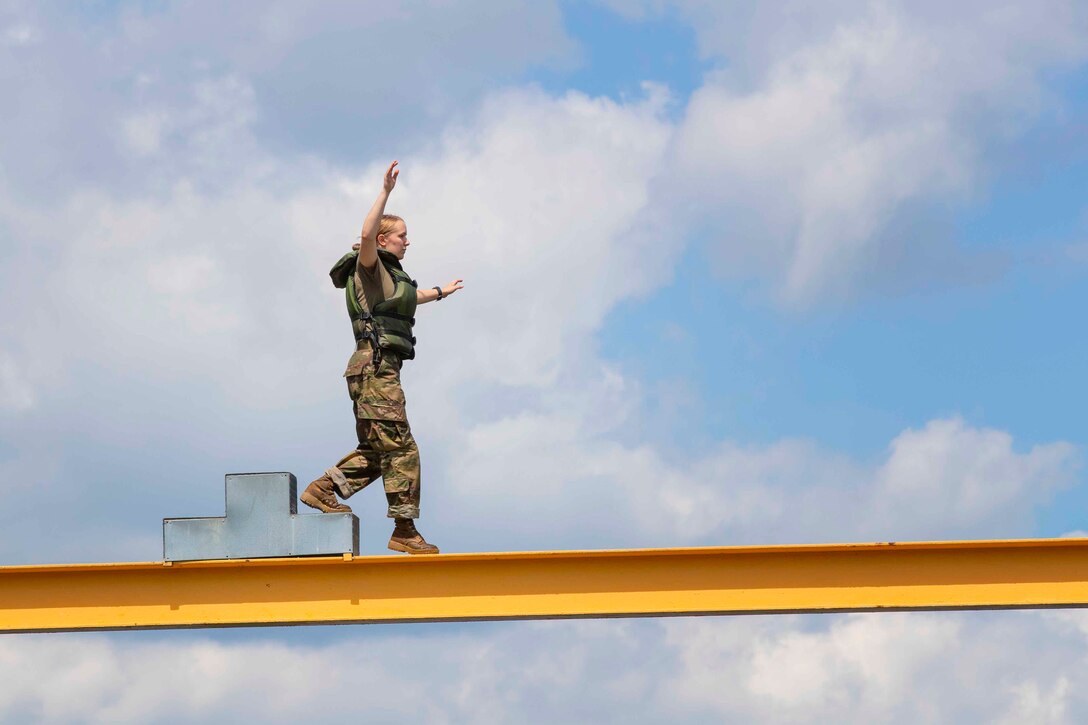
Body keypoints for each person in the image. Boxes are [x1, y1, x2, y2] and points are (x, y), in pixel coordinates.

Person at [301, 160, 463, 555]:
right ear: (385, 239)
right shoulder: (370, 266)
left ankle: (322, 490)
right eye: (403, 236)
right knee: (403, 448)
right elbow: (365, 233)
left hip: (376, 369)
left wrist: (442, 290)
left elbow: (408, 300)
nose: (408, 242)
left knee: (380, 449)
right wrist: (385, 192)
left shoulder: (393, 279)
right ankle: (404, 530)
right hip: (374, 369)